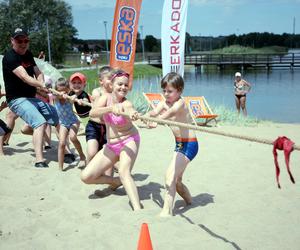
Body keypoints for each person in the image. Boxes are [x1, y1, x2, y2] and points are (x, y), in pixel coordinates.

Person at [81, 69, 142, 211]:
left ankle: (137, 208)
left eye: (126, 85)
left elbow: (130, 110)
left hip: (129, 140)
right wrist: (110, 108)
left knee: (124, 171)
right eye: (120, 84)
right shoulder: (105, 98)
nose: (123, 88)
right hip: (111, 145)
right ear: (112, 85)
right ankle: (115, 182)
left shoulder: (126, 103)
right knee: (86, 177)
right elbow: (92, 113)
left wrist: (133, 114)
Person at [2, 28, 58, 167]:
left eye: (25, 40)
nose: (22, 43)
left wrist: (42, 82)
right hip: (17, 99)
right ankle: (39, 160)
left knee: (56, 118)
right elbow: (25, 77)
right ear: (12, 41)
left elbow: (37, 72)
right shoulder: (10, 57)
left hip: (32, 97)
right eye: (19, 40)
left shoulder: (28, 54)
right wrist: (41, 85)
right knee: (39, 122)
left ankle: (66, 151)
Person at [146, 72, 198, 217]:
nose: (166, 94)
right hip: (179, 145)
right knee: (177, 180)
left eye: (170, 91)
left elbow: (171, 113)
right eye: (164, 90)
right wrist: (143, 117)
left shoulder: (180, 103)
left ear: (179, 91)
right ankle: (189, 201)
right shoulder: (164, 103)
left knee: (170, 177)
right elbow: (154, 112)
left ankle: (166, 211)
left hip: (190, 145)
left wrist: (158, 120)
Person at [53, 77, 86, 171]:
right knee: (62, 143)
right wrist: (60, 95)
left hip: (73, 121)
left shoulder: (70, 97)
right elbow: (56, 96)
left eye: (64, 91)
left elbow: (73, 98)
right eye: (60, 91)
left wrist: (73, 97)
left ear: (68, 89)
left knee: (73, 137)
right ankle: (60, 167)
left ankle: (82, 156)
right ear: (56, 90)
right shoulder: (55, 98)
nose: (63, 93)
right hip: (63, 123)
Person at [86, 66, 113, 164]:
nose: (112, 81)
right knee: (92, 152)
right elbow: (95, 111)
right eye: (109, 78)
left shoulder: (114, 94)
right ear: (101, 81)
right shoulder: (97, 92)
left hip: (108, 128)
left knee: (106, 154)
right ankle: (87, 166)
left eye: (114, 78)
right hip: (94, 126)